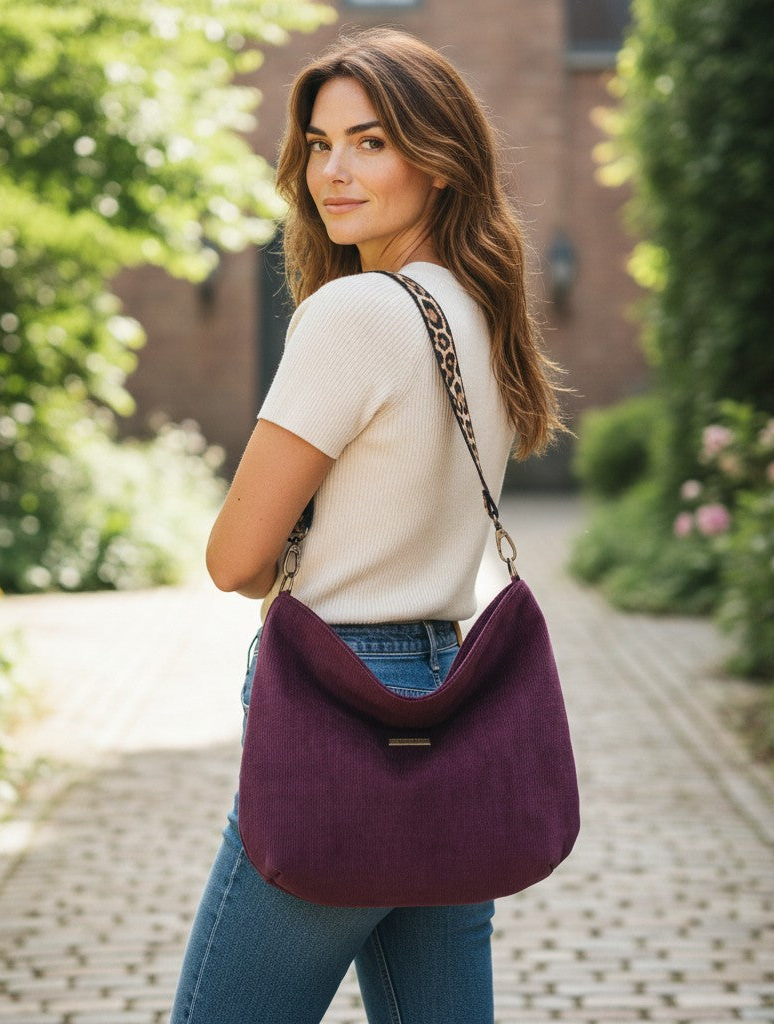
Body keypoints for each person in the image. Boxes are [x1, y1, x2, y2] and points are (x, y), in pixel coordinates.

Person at [169, 27, 564, 1024]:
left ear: (437, 162)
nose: (333, 172)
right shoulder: (481, 312)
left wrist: (290, 545)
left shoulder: (351, 315)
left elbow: (232, 558)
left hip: (342, 704)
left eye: (371, 142)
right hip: (449, 697)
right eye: (318, 143)